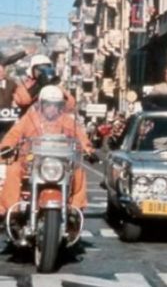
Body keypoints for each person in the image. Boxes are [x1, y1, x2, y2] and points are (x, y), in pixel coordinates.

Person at [0, 85, 98, 218]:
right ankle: (11, 210)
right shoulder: (30, 118)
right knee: (13, 169)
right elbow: (13, 135)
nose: (52, 108)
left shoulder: (67, 121)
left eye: (55, 105)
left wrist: (88, 150)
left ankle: (76, 208)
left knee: (79, 171)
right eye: (48, 105)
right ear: (41, 104)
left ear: (60, 106)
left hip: (60, 164)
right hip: (31, 162)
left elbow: (80, 137)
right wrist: (6, 147)